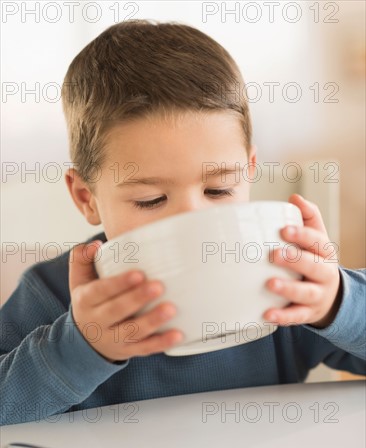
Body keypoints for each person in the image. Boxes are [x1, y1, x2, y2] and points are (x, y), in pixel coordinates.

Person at [1, 20, 365, 426]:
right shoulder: (54, 297)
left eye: (219, 189)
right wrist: (80, 348)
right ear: (87, 198)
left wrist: (337, 303)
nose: (194, 221)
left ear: (249, 171)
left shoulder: (281, 279)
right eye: (150, 199)